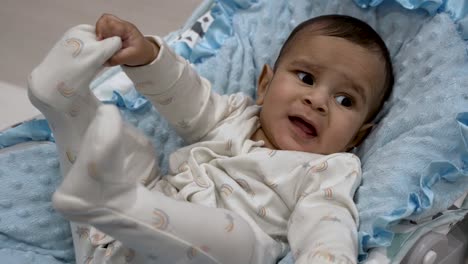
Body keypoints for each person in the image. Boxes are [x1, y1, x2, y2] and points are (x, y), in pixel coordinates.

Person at [28, 13, 393, 264]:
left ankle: (116, 202)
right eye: (306, 78)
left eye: (345, 100)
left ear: (356, 136)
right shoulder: (234, 115)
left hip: (206, 253)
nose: (318, 101)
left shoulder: (327, 169)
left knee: (243, 243)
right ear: (265, 85)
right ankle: (67, 102)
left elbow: (328, 223)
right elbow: (185, 97)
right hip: (107, 245)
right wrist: (147, 58)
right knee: (133, 151)